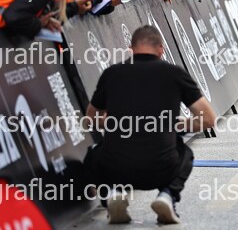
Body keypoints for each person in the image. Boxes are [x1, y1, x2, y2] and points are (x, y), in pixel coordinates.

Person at [84, 25, 217, 225]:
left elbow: (91, 117)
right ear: (161, 49)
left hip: (116, 167)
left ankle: (112, 192)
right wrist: (173, 125)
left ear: (131, 49)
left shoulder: (112, 74)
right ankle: (167, 195)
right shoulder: (175, 74)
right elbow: (208, 119)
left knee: (93, 155)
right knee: (186, 154)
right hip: (161, 168)